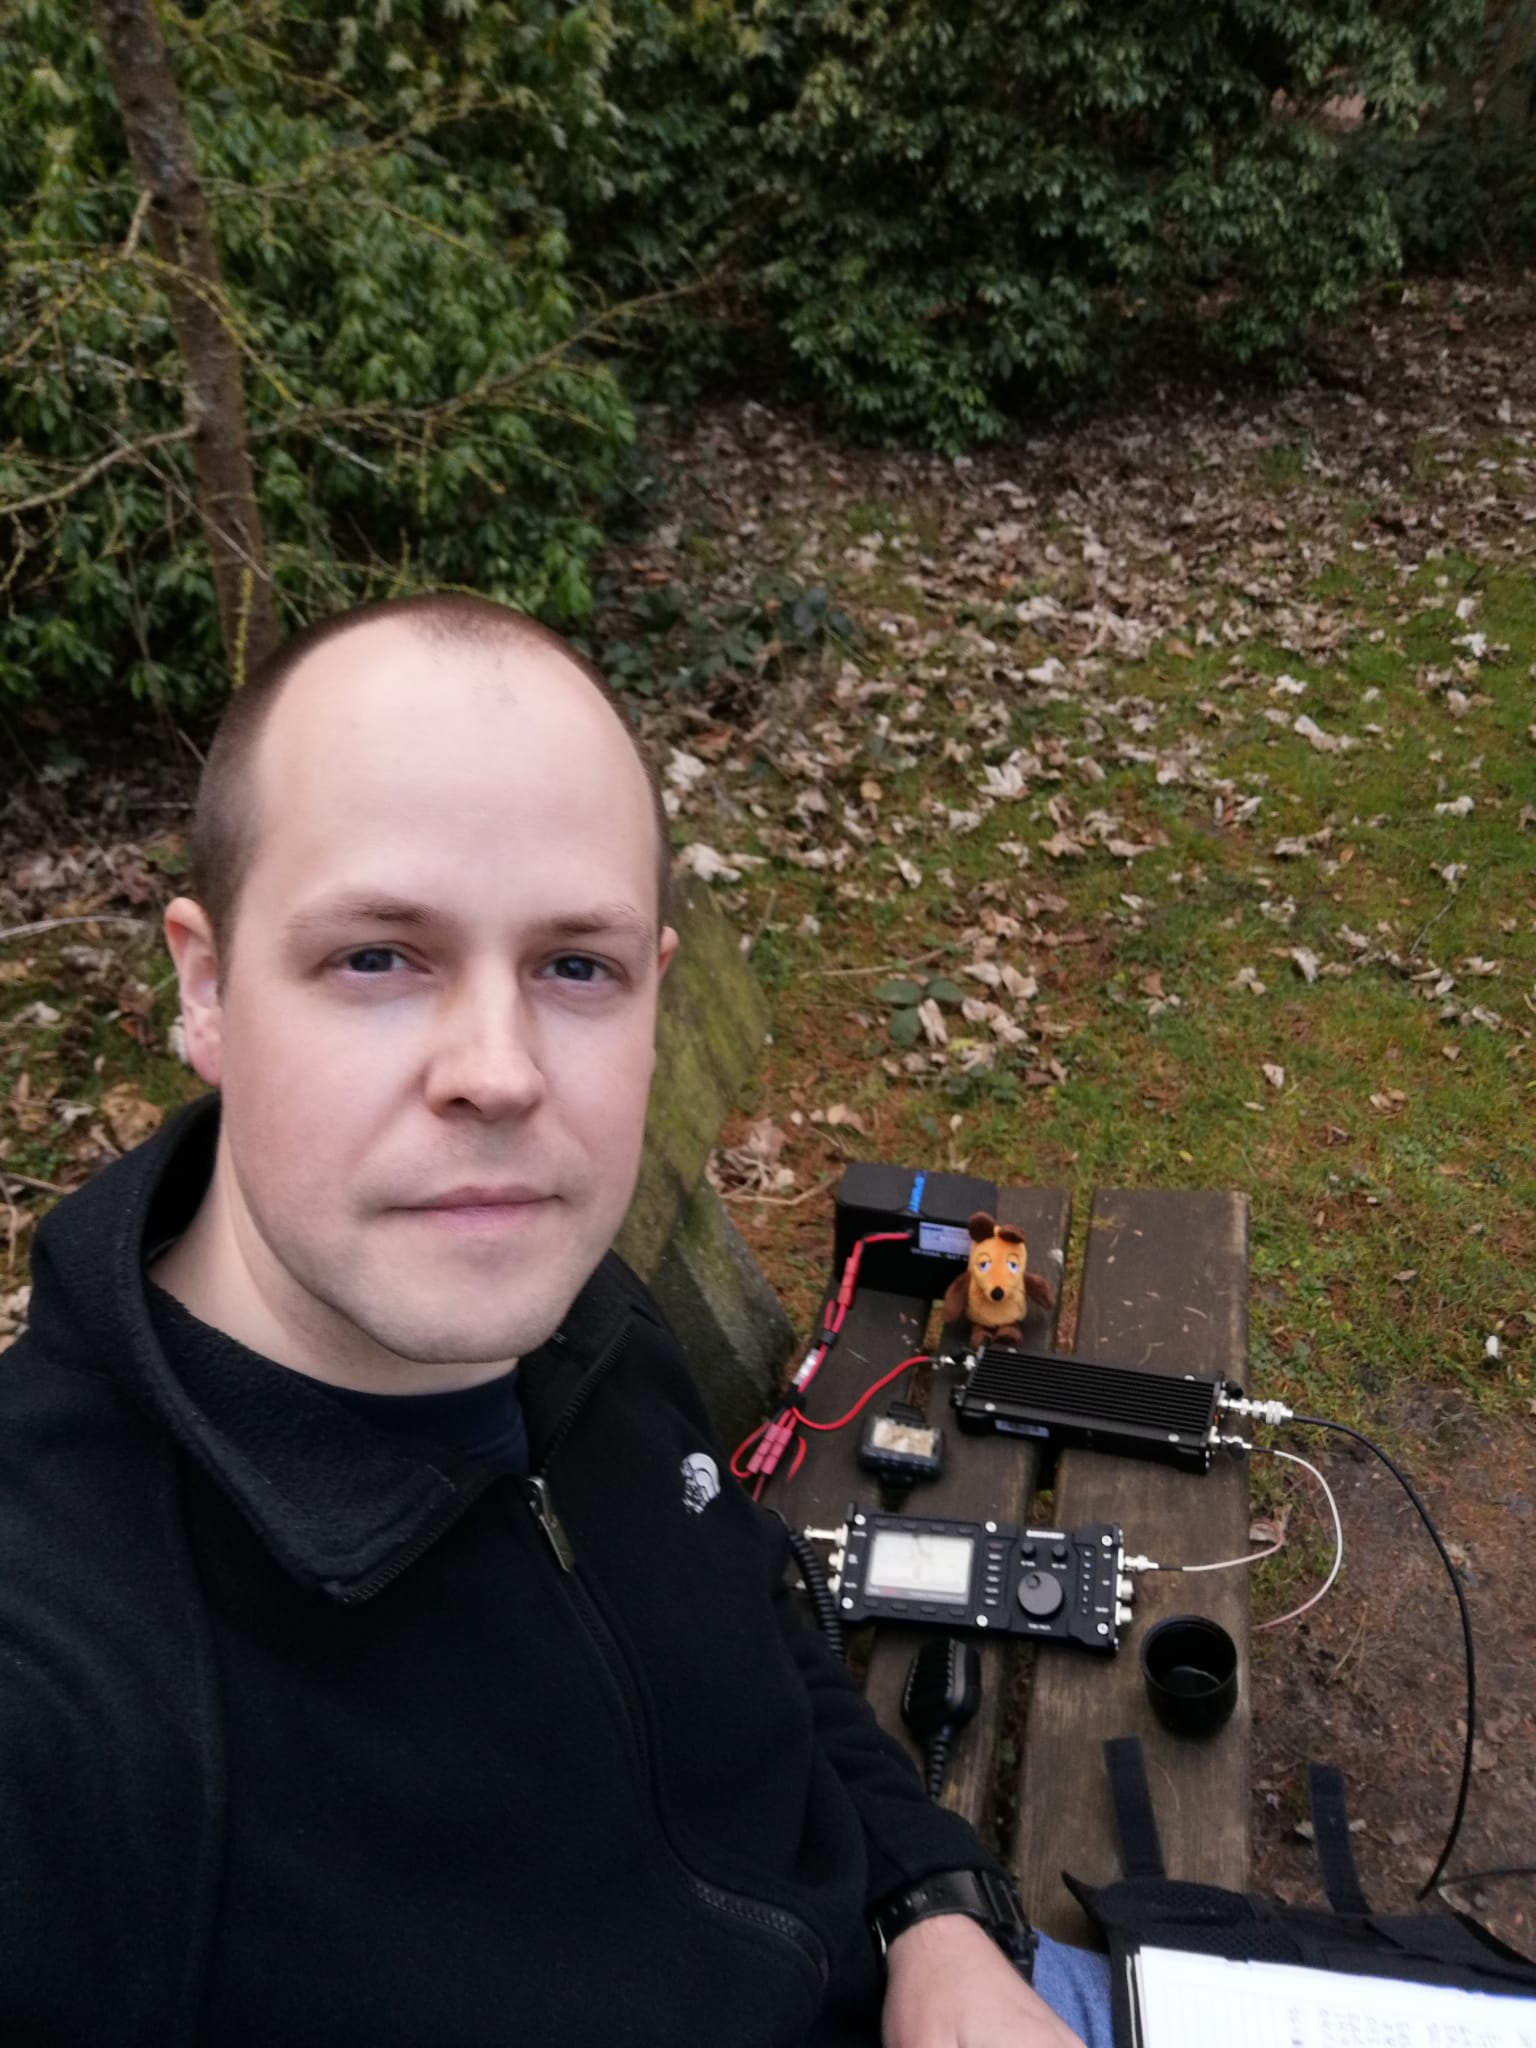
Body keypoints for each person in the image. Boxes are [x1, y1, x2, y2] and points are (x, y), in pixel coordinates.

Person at [0, 595, 1112, 2046]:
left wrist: (934, 1908)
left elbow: (756, 1622)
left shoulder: (571, 1312)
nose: (500, 1072)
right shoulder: (62, 1688)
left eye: (575, 966)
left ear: (654, 991)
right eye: (377, 956)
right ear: (205, 989)